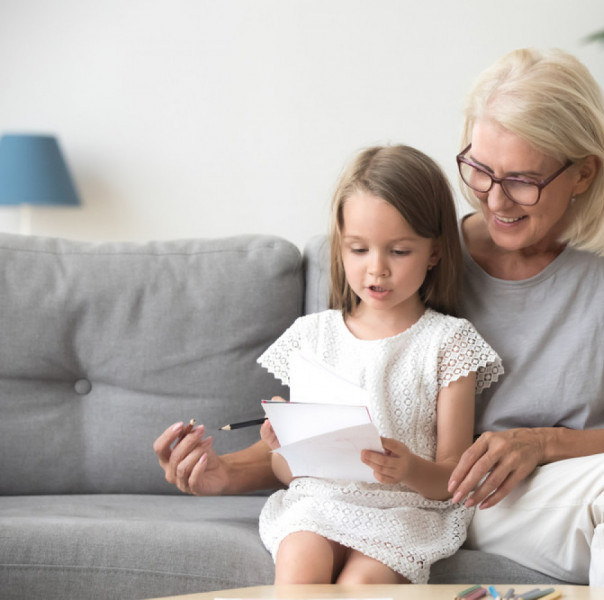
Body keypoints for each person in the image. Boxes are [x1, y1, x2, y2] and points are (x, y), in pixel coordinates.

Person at [154, 49, 604, 599]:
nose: (495, 199)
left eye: (521, 180)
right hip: (487, 491)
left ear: (584, 173)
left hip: (601, 469)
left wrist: (541, 442)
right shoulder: (422, 256)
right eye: (480, 170)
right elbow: (335, 437)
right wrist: (218, 472)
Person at [161, 145, 503, 585]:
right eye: (358, 249)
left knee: (360, 584)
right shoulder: (312, 337)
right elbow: (290, 474)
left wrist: (409, 469)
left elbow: (453, 479)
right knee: (300, 562)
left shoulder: (448, 343)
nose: (375, 270)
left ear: (434, 252)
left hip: (403, 512)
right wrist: (286, 447)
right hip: (318, 504)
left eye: (399, 252)